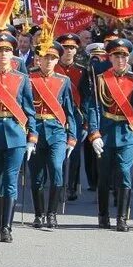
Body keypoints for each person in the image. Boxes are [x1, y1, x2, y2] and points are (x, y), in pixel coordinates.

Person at [0, 31, 37, 243]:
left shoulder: (21, 79)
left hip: (15, 134)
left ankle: (7, 227)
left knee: (11, 180)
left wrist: (32, 136)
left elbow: (30, 110)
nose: (4, 54)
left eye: (7, 51)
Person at [86, 38, 133, 232]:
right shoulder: (101, 79)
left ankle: (122, 218)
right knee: (103, 177)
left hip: (127, 133)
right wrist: (94, 133)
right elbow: (94, 108)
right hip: (106, 132)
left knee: (124, 175)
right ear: (110, 57)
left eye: (124, 55)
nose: (120, 59)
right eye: (116, 55)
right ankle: (103, 216)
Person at [27, 38, 78, 229]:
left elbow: (69, 109)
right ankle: (39, 214)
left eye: (52, 58)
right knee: (37, 175)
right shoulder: (30, 78)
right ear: (38, 59)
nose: (48, 61)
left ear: (57, 60)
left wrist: (72, 136)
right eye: (45, 57)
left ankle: (52, 213)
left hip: (56, 130)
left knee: (56, 168)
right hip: (36, 130)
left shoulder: (63, 81)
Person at [54, 34, 89, 200]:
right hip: (56, 112)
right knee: (58, 150)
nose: (69, 51)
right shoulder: (53, 69)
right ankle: (57, 183)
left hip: (76, 113)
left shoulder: (82, 70)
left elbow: (87, 97)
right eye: (66, 47)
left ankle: (72, 186)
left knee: (74, 152)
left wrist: (86, 121)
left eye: (72, 48)